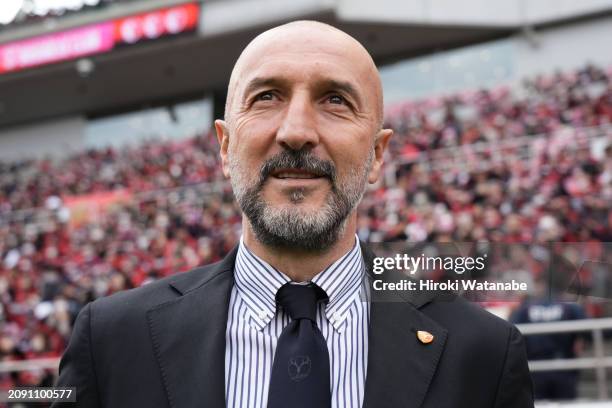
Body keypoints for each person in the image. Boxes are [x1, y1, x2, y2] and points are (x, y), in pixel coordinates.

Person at [53, 21, 534, 407]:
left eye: (335, 101)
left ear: (378, 155)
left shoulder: (484, 354)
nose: (297, 131)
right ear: (224, 146)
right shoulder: (112, 340)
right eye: (266, 97)